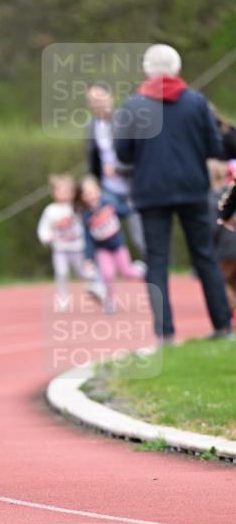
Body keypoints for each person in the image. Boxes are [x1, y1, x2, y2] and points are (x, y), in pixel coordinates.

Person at [115, 44, 232, 341]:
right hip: (193, 189)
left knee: (156, 261)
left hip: (151, 191)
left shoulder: (132, 107)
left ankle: (164, 333)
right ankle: (222, 326)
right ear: (177, 69)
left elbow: (123, 154)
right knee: (205, 256)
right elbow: (213, 148)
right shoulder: (196, 103)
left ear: (146, 70)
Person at [85, 82, 146, 256]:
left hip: (133, 188)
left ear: (110, 97)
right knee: (101, 232)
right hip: (108, 190)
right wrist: (92, 180)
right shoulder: (92, 126)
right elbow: (92, 159)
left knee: (140, 237)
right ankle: (103, 277)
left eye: (99, 98)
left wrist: (118, 170)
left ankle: (156, 278)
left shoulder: (126, 121)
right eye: (91, 100)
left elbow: (139, 155)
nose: (96, 103)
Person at [78, 176, 145, 313]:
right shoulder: (86, 216)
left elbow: (123, 212)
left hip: (118, 247)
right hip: (102, 250)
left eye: (92, 191)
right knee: (107, 275)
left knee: (127, 273)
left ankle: (140, 269)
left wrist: (133, 205)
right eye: (86, 194)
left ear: (98, 191)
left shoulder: (109, 203)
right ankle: (110, 301)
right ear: (83, 197)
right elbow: (88, 239)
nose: (90, 196)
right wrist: (88, 258)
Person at [37, 174, 98, 310]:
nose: (64, 194)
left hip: (78, 248)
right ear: (54, 193)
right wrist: (46, 237)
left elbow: (89, 221)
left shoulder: (77, 208)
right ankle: (63, 300)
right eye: (61, 191)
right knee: (61, 273)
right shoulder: (50, 210)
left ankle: (96, 288)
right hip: (60, 250)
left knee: (83, 273)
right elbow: (43, 228)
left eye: (67, 191)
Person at [209, 161, 236, 313]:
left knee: (220, 282)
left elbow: (213, 227)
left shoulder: (212, 198)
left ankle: (227, 314)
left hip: (225, 250)